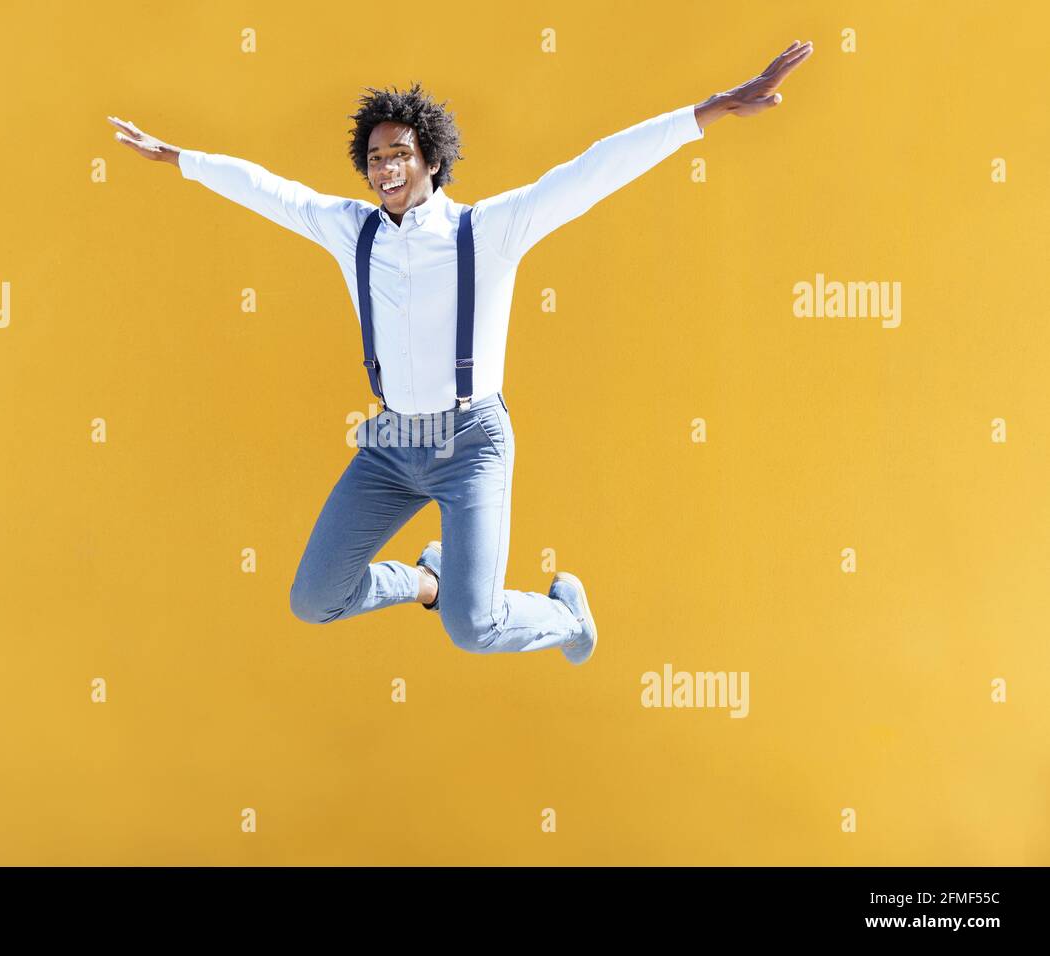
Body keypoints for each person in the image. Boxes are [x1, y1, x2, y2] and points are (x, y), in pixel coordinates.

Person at [110, 40, 814, 665]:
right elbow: (268, 190)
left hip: (472, 442)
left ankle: (565, 615)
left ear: (432, 161)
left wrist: (710, 111)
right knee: (314, 599)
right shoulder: (351, 231)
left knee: (473, 629)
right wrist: (179, 159)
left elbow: (593, 170)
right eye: (376, 157)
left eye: (400, 155)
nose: (385, 168)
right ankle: (426, 581)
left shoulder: (490, 230)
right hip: (389, 446)